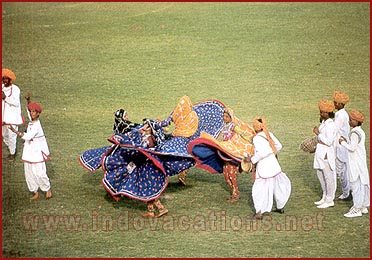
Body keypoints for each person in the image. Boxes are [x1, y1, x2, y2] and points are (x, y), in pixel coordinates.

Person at [244, 116, 291, 219]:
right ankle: (280, 206)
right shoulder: (269, 134)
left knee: (258, 189)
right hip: (274, 165)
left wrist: (251, 160)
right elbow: (278, 146)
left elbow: (261, 153)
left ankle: (259, 212)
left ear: (256, 127)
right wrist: (271, 152)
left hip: (264, 167)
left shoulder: (257, 138)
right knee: (278, 186)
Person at [9, 100, 51, 200]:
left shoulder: (37, 125)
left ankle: (47, 188)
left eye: (34, 112)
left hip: (37, 150)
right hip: (28, 150)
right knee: (29, 173)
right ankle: (34, 191)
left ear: (38, 113)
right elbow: (28, 111)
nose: (32, 113)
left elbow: (28, 136)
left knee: (39, 172)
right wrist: (28, 100)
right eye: (31, 111)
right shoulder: (32, 121)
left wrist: (15, 131)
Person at [218, 108, 254, 202]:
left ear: (231, 117)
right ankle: (234, 192)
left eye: (226, 116)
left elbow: (242, 135)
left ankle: (235, 194)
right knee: (226, 175)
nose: (224, 118)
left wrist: (252, 142)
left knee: (231, 175)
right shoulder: (225, 126)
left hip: (233, 154)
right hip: (226, 153)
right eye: (224, 116)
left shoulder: (233, 126)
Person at [339, 110, 370, 218]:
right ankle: (363, 206)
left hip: (355, 162)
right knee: (363, 183)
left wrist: (342, 142)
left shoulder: (354, 133)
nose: (349, 121)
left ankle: (357, 208)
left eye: (351, 120)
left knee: (356, 185)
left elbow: (352, 148)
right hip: (361, 162)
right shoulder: (361, 131)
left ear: (356, 122)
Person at [138, 119, 168, 218]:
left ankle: (161, 208)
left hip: (147, 167)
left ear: (150, 129)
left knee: (148, 188)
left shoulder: (148, 140)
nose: (144, 127)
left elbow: (141, 151)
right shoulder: (149, 138)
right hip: (149, 166)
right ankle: (151, 211)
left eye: (146, 126)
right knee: (148, 188)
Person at [313, 100, 337, 209]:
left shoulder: (331, 125)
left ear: (328, 113)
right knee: (320, 175)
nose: (321, 114)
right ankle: (324, 196)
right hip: (319, 152)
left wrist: (318, 134)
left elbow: (329, 141)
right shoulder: (323, 123)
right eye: (320, 112)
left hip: (326, 153)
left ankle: (329, 199)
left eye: (323, 112)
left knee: (328, 177)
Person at [2, 68, 23, 161]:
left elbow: (16, 103)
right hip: (3, 118)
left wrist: (5, 97)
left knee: (12, 136)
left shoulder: (15, 89)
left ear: (10, 79)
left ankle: (12, 153)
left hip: (12, 118)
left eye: (6, 79)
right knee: (4, 135)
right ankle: (11, 147)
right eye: (3, 79)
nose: (5, 81)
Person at [333, 91, 351, 200]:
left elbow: (334, 130)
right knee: (343, 171)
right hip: (342, 145)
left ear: (340, 104)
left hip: (340, 146)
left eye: (335, 103)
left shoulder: (340, 115)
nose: (334, 104)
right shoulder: (343, 114)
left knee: (340, 171)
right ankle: (347, 191)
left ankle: (346, 192)